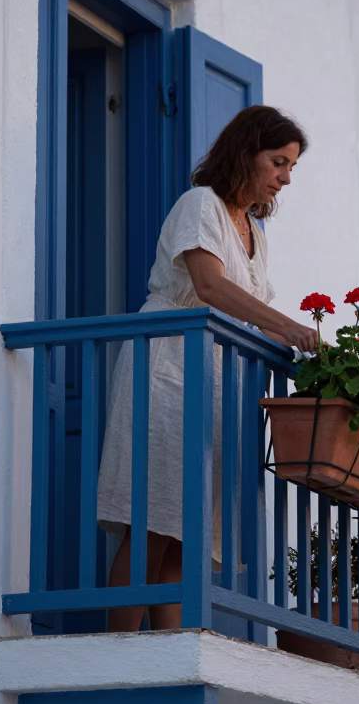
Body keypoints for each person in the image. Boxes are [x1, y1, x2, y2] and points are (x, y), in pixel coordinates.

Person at [97, 105, 319, 632]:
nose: (286, 177)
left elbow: (250, 311)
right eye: (279, 161)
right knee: (151, 517)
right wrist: (291, 329)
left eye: (291, 166)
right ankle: (118, 652)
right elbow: (211, 287)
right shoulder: (202, 205)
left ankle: (172, 652)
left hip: (214, 382)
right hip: (169, 368)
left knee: (184, 530)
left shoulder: (254, 233)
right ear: (247, 153)